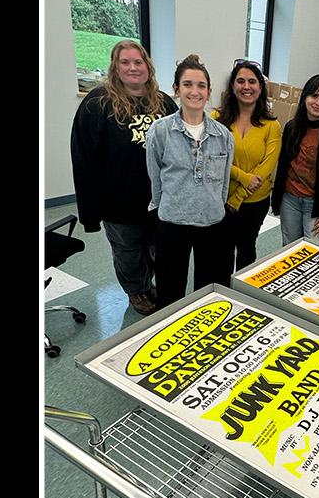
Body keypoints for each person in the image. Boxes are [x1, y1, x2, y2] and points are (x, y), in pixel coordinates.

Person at [70, 40, 178, 315]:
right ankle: (137, 290)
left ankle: (148, 283)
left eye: (138, 62)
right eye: (125, 62)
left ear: (147, 67)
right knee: (128, 251)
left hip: (158, 199)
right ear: (115, 68)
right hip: (118, 202)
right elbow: (83, 159)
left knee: (155, 247)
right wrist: (90, 213)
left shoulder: (163, 102)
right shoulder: (97, 104)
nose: (132, 68)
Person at [148, 54, 233, 309]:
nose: (194, 91)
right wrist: (162, 208)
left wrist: (215, 206)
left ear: (208, 92)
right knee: (169, 288)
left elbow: (224, 182)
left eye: (201, 86)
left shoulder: (223, 135)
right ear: (176, 89)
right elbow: (155, 177)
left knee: (209, 289)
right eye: (187, 84)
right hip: (173, 220)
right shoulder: (161, 131)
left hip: (211, 220)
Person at [214, 59, 281, 271]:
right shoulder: (217, 119)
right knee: (222, 250)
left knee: (246, 249)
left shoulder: (272, 126)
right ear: (232, 86)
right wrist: (243, 179)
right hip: (221, 199)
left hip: (255, 202)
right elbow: (215, 159)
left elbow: (266, 167)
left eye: (252, 82)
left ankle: (243, 294)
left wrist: (239, 197)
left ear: (260, 88)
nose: (246, 86)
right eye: (240, 81)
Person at [270, 74, 319, 245]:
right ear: (305, 96)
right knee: (289, 250)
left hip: (317, 207)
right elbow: (283, 166)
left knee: (315, 256)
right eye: (314, 96)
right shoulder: (292, 127)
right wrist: (276, 200)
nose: (318, 103)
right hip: (290, 200)